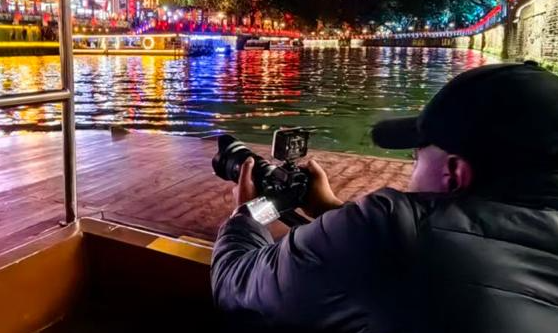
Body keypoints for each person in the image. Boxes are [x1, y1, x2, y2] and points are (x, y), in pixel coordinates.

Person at [211, 62, 558, 333]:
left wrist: (246, 213)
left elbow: (234, 282)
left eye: (416, 155)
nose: (412, 166)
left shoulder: (387, 229)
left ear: (454, 174)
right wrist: (331, 209)